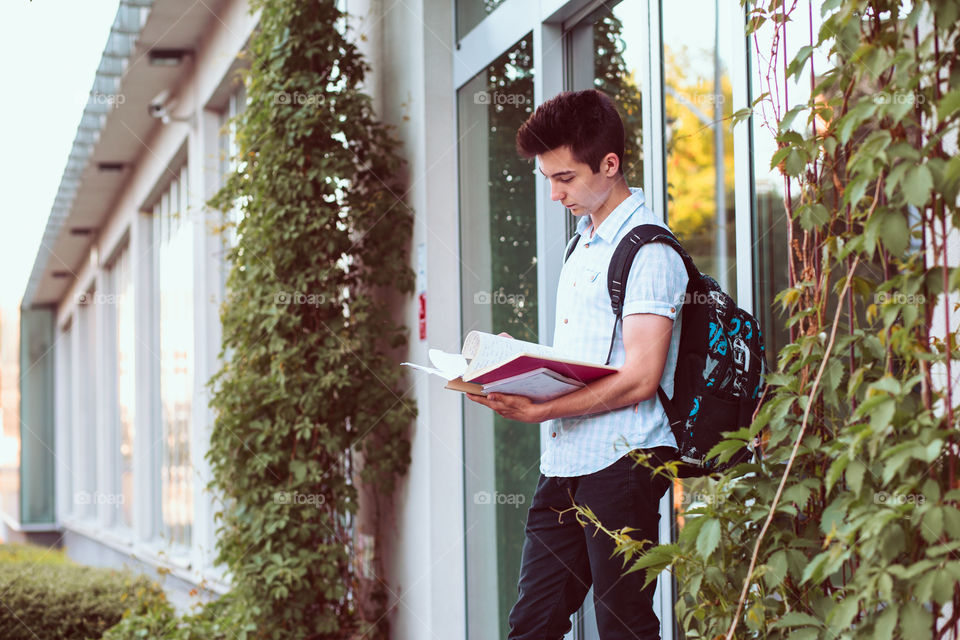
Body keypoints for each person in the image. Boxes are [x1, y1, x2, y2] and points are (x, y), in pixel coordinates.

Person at [467, 89, 688, 640]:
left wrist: (543, 410)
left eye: (563, 178)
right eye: (547, 179)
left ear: (609, 165)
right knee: (533, 625)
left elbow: (640, 377)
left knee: (623, 627)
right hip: (565, 463)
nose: (553, 193)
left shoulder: (650, 252)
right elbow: (589, 357)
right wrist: (517, 360)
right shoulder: (582, 246)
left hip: (623, 466)